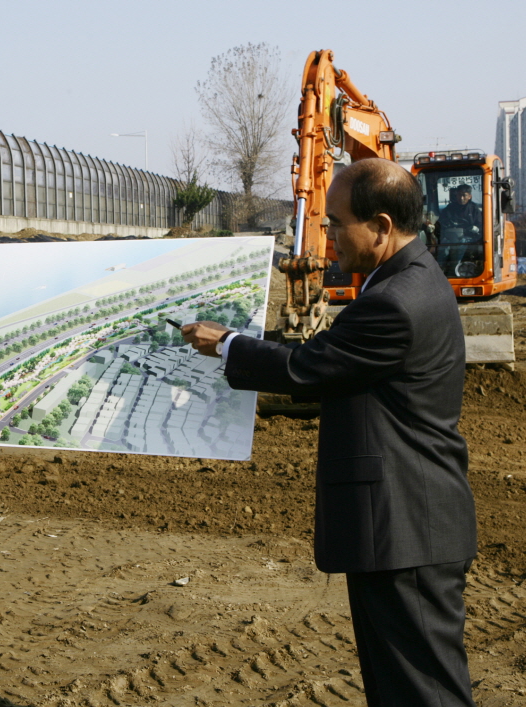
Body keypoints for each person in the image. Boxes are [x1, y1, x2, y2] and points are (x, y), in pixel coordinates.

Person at [183, 158, 477, 707]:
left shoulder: (394, 302)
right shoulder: (411, 278)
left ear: (382, 226)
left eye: (337, 222)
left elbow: (308, 367)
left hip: (406, 529)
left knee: (423, 692)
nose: (328, 235)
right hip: (409, 526)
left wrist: (226, 343)